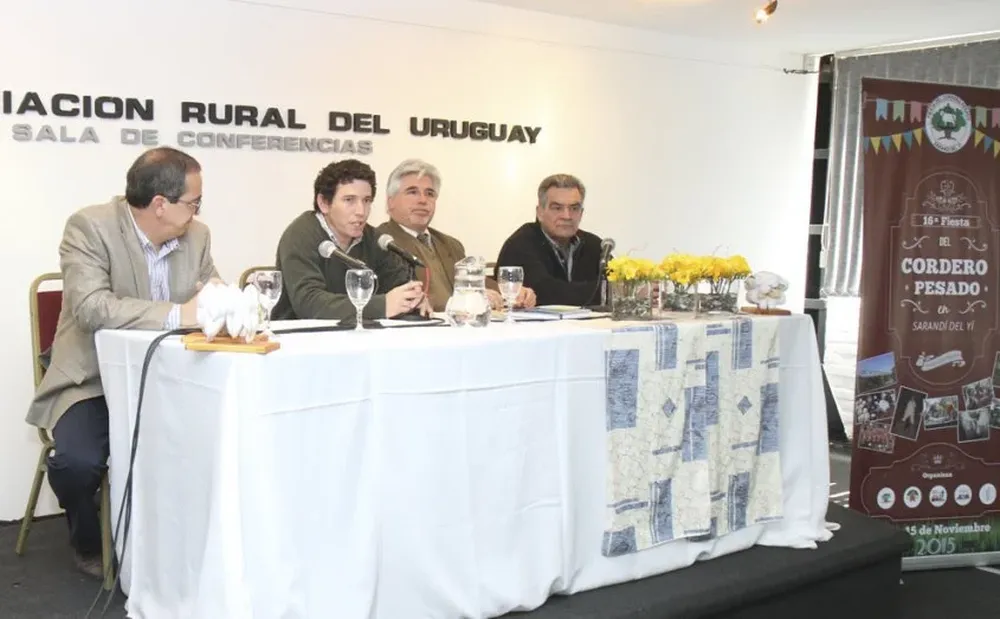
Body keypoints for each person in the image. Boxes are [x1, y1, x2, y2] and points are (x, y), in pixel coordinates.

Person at [25, 146, 220, 577]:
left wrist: (230, 304)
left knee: (217, 438)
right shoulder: (90, 227)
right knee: (77, 463)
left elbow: (211, 289)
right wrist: (177, 314)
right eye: (193, 202)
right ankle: (88, 540)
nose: (197, 211)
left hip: (169, 378)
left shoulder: (197, 235)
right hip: (91, 378)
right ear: (160, 205)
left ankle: (186, 543)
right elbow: (91, 307)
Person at [272, 159, 430, 321]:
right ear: (324, 203)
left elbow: (397, 283)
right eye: (349, 200)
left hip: (359, 335)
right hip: (301, 338)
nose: (361, 211)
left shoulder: (374, 239)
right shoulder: (300, 235)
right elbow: (309, 304)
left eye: (366, 201)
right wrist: (382, 305)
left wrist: (412, 300)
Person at [375, 159, 536, 312]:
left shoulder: (451, 244)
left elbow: (475, 281)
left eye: (430, 193)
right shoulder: (382, 241)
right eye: (412, 192)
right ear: (390, 202)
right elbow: (411, 299)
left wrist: (512, 292)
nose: (423, 200)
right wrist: (472, 301)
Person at [494, 174, 605, 306]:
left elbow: (622, 288)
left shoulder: (594, 244)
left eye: (574, 208)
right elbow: (547, 293)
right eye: (557, 208)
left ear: (581, 213)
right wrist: (602, 290)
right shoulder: (520, 244)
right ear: (540, 212)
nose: (567, 216)